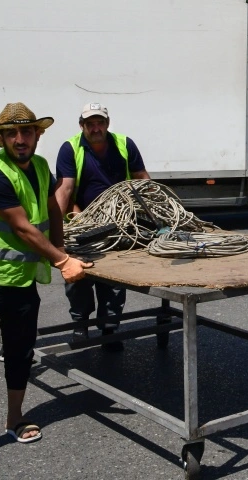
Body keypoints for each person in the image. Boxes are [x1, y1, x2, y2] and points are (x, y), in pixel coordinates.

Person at [0, 103, 90, 471]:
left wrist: (63, 248)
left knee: (19, 352)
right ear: (0, 138)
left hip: (20, 281)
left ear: (38, 135)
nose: (19, 139)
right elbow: (23, 228)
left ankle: (14, 418)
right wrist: (63, 262)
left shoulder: (42, 168)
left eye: (26, 131)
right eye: (11, 133)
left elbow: (53, 211)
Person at [55, 103, 149, 350]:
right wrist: (57, 228)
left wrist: (156, 213)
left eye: (100, 123)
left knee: (114, 281)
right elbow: (65, 188)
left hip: (119, 225)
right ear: (82, 125)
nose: (96, 128)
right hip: (82, 222)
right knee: (79, 276)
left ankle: (109, 329)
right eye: (90, 124)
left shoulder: (124, 144)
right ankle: (80, 325)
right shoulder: (70, 148)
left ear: (107, 124)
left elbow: (142, 179)